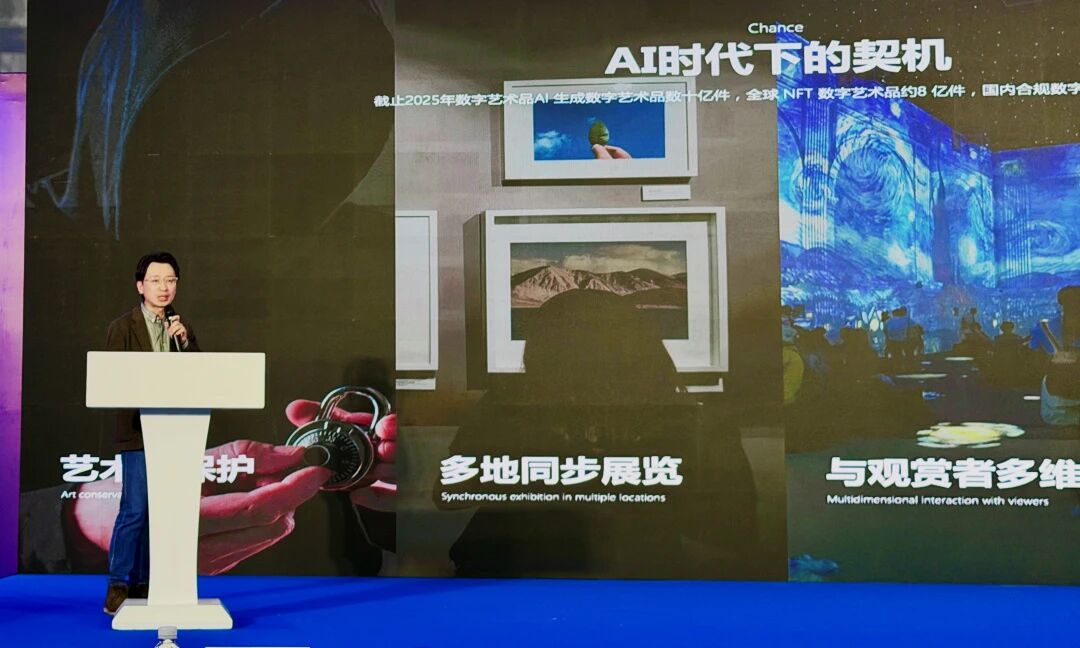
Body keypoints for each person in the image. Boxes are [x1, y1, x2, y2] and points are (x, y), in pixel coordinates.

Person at [102, 251, 194, 614]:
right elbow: (112, 380)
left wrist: (185, 343)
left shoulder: (180, 329)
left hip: (176, 433)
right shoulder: (123, 327)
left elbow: (203, 377)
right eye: (155, 281)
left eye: (170, 280)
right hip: (138, 432)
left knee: (160, 512)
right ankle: (118, 583)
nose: (164, 287)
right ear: (141, 286)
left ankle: (144, 580)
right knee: (135, 509)